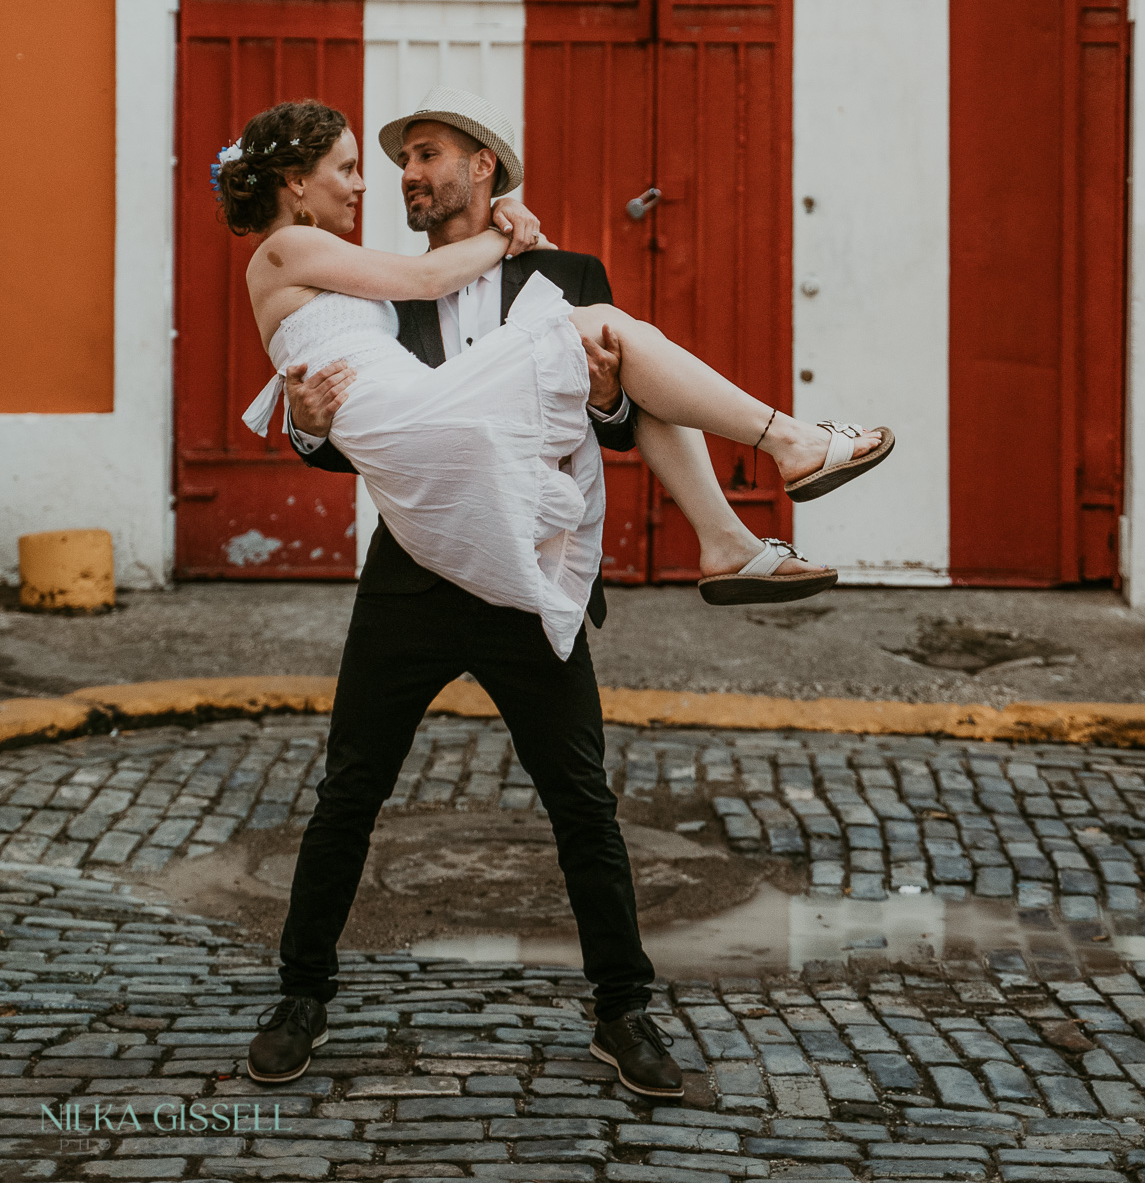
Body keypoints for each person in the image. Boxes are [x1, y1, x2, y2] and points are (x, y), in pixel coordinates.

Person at [216, 90, 893, 1092]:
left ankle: (624, 1011)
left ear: (484, 167)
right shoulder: (374, 279)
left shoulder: (564, 273)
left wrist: (615, 390)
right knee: (349, 792)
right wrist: (306, 426)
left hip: (532, 562)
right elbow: (341, 424)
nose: (402, 174)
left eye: (426, 155)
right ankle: (300, 993)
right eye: (387, 161)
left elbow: (620, 419)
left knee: (582, 800)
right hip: (415, 566)